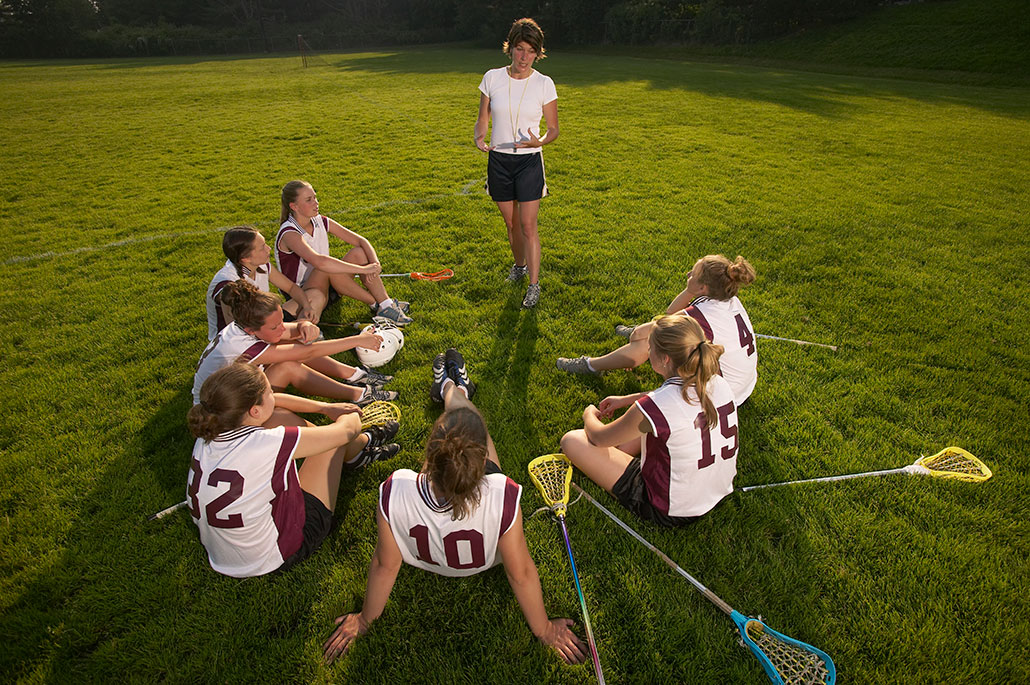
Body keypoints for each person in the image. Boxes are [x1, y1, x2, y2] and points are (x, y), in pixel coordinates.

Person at [322, 349, 586, 665]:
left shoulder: (395, 488)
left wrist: (365, 619)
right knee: (469, 420)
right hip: (482, 559)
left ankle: (449, 390)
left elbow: (385, 564)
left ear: (429, 451)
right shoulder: (504, 493)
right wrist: (543, 629)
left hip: (422, 552)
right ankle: (455, 390)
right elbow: (521, 573)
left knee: (457, 431)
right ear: (482, 461)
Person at [187, 362, 401, 578]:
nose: (274, 393)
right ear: (254, 410)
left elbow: (274, 405)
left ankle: (358, 451)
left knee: (280, 417)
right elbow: (345, 431)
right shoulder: (266, 442)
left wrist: (324, 408)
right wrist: (350, 413)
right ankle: (364, 442)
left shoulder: (207, 437)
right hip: (275, 554)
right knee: (330, 443)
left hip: (226, 555)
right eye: (270, 391)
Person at [560, 315, 739, 527]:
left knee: (572, 441)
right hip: (714, 489)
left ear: (665, 359)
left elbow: (599, 437)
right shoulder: (717, 381)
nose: (648, 352)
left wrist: (588, 414)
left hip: (670, 508)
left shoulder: (656, 408)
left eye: (650, 347)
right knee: (637, 437)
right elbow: (674, 398)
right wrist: (627, 399)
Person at [558, 254, 757, 406]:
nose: (688, 274)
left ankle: (591, 365)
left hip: (722, 395)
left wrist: (637, 333)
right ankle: (606, 361)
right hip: (743, 386)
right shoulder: (730, 300)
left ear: (703, 288)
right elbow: (671, 315)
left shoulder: (702, 314)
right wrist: (690, 290)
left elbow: (663, 322)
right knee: (659, 334)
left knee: (648, 339)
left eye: (693, 274)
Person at [192, 280, 398, 406]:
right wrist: (358, 340)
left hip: (231, 391)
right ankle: (359, 394)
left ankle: (355, 376)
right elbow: (305, 353)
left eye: (280, 321)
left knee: (296, 349)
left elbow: (296, 332)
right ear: (250, 331)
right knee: (289, 363)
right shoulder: (241, 345)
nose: (281, 328)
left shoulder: (245, 326)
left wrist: (305, 326)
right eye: (274, 327)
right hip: (221, 409)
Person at [474, 17, 559, 308]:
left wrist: (541, 141)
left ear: (538, 53)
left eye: (531, 51)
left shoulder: (544, 84)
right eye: (520, 49)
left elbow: (554, 129)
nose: (524, 57)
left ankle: (533, 285)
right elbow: (483, 115)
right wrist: (479, 136)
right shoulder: (492, 78)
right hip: (498, 160)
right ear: (510, 48)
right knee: (511, 224)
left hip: (529, 162)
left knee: (528, 225)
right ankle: (519, 266)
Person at [276, 180, 412, 325]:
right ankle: (377, 305)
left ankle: (386, 304)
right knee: (325, 267)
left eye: (315, 197)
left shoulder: (319, 220)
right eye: (309, 200)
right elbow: (319, 262)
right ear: (294, 206)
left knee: (359, 253)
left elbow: (361, 241)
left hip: (328, 285)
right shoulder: (289, 232)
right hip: (305, 295)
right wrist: (363, 269)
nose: (316, 202)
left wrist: (375, 263)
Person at [206, 225, 317, 340]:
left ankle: (301, 332)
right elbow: (239, 329)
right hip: (243, 338)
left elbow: (291, 288)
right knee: (301, 350)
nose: (268, 248)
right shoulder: (229, 284)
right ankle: (301, 334)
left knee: (314, 296)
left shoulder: (261, 264)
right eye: (262, 247)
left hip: (266, 322)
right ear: (245, 258)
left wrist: (307, 307)